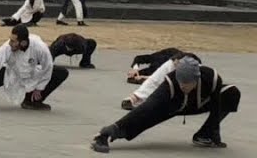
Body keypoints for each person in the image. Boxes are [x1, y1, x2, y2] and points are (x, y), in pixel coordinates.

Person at [91, 57, 241, 152]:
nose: (183, 86)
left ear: (197, 78)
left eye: (187, 83)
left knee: (232, 92)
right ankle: (106, 134)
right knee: (145, 116)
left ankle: (204, 135)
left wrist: (215, 134)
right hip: (171, 106)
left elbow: (215, 107)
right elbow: (146, 108)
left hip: (198, 103)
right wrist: (112, 128)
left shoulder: (212, 78)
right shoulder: (169, 84)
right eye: (181, 81)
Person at [0, 24, 68, 111]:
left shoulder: (40, 47)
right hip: (10, 73)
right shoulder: (7, 47)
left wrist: (40, 87)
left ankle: (31, 101)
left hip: (30, 74)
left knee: (62, 72)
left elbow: (48, 67)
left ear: (23, 42)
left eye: (13, 41)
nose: (10, 43)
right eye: (10, 39)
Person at [121, 50, 201, 110]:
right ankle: (132, 98)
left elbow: (156, 78)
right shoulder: (159, 65)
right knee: (155, 82)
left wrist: (144, 76)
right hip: (172, 63)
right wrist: (135, 69)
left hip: (185, 61)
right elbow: (139, 59)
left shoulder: (169, 62)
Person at [127, 47, 199, 84]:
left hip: (179, 59)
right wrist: (135, 69)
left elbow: (165, 76)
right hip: (162, 63)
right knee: (132, 77)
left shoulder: (178, 63)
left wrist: (146, 77)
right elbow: (138, 58)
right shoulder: (155, 59)